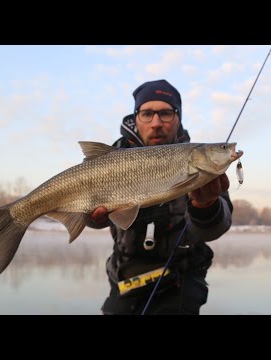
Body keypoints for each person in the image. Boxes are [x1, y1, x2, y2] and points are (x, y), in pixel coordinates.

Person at [88, 79, 233, 315]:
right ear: (135, 118)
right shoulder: (111, 158)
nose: (156, 123)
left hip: (180, 284)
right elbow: (92, 218)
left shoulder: (200, 162)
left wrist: (205, 204)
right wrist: (91, 217)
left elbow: (216, 228)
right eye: (147, 113)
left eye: (165, 113)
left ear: (178, 118)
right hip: (124, 282)